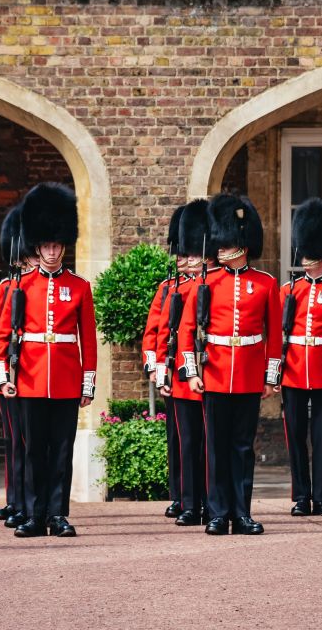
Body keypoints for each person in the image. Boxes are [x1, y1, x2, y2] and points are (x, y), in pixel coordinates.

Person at [0, 183, 97, 538]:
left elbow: (88, 339)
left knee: (62, 452)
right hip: (29, 378)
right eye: (47, 246)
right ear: (37, 246)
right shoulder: (19, 287)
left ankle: (58, 514)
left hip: (67, 380)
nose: (52, 252)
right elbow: (4, 335)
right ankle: (35, 514)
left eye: (57, 245)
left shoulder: (80, 287)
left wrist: (88, 383)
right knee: (33, 450)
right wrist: (3, 375)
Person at [178, 193, 282, 535]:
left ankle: (243, 512)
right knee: (216, 448)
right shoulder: (206, 282)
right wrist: (192, 373)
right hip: (215, 375)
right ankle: (219, 513)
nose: (220, 247)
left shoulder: (265, 284)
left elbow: (274, 336)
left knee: (242, 448)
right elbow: (187, 331)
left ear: (242, 242)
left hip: (250, 376)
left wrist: (271, 377)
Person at [280, 198, 322, 517]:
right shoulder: (288, 291)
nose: (305, 258)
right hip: (294, 369)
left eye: (311, 254)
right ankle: (300, 496)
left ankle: (321, 497)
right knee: (294, 436)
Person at [156, 199, 216, 526]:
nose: (188, 259)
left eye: (194, 253)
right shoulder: (174, 289)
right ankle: (189, 503)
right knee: (188, 443)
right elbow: (165, 332)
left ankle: (210, 503)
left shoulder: (212, 286)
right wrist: (164, 369)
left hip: (214, 374)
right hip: (184, 376)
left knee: (211, 445)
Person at [0, 205, 37, 529]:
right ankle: (16, 497)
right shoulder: (3, 288)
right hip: (9, 371)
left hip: (31, 372)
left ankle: (27, 501)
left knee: (27, 441)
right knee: (13, 439)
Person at [142, 205, 186, 518]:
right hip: (172, 372)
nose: (182, 259)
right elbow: (154, 333)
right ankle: (179, 494)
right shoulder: (167, 288)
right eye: (179, 254)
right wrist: (160, 373)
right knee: (177, 438)